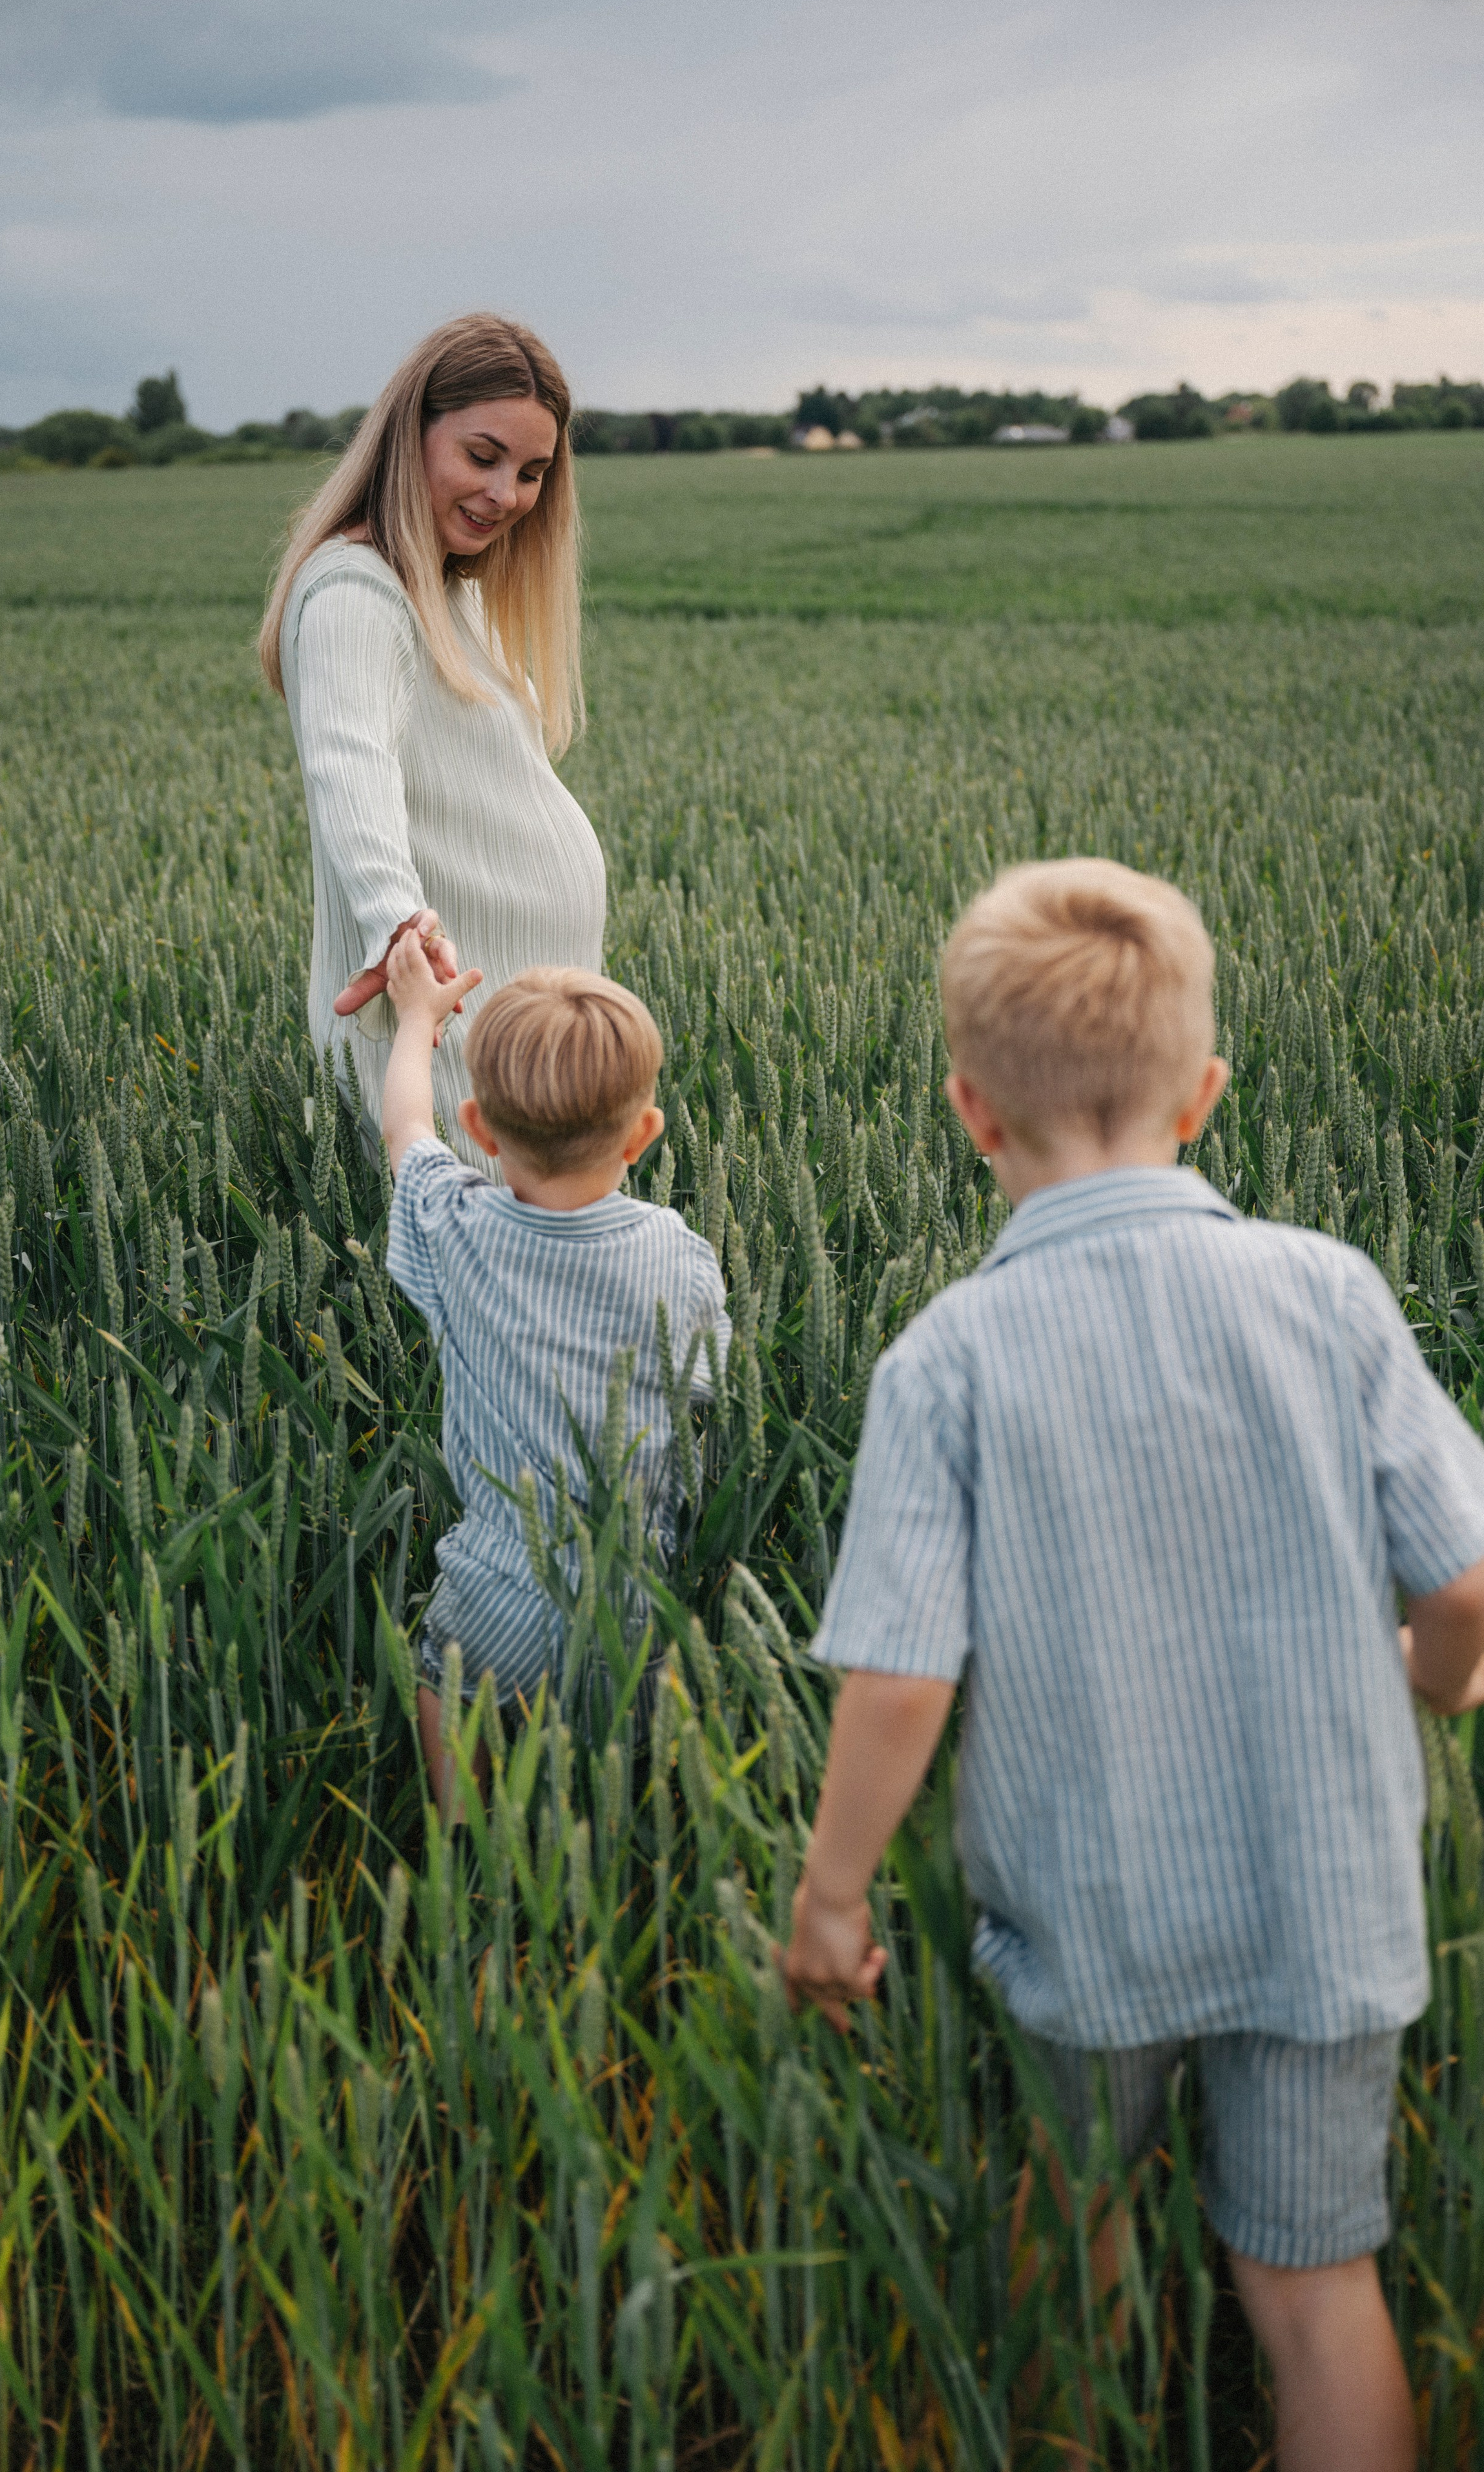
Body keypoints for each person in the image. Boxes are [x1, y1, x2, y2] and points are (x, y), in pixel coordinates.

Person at [779, 857, 1484, 2472]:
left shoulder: (947, 1356)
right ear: (1206, 1094)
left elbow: (897, 1673)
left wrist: (832, 1894)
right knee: (1314, 2288)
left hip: (1086, 1904)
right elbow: (1459, 1582)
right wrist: (1430, 1678)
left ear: (969, 1111)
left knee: (1073, 2219)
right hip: (1325, 1892)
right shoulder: (1327, 1295)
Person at [378, 930, 732, 1815]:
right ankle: (627, 1838)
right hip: (637, 1592)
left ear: (480, 1130)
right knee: (630, 1774)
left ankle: (459, 1837)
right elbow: (711, 1391)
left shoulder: (455, 1228)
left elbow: (404, 1130)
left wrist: (418, 1021)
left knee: (442, 1681)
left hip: (500, 1587)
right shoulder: (678, 1255)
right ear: (646, 1132)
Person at [259, 313, 603, 1172]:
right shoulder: (354, 591)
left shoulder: (451, 591)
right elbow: (349, 766)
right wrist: (396, 928)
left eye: (530, 473)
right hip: (449, 1018)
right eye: (482, 456)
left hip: (511, 1014)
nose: (506, 495)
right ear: (409, 435)